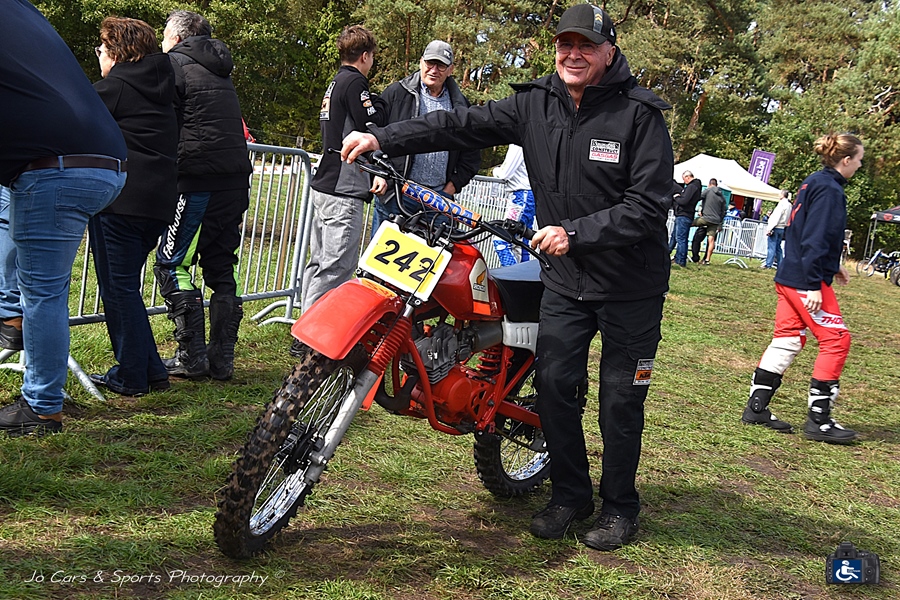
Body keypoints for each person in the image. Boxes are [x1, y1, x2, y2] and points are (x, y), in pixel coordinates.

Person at [342, 4, 675, 551]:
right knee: (555, 389)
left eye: (586, 45)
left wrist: (575, 232)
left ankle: (620, 507)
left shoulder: (640, 115)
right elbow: (456, 124)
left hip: (630, 286)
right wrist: (384, 138)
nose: (573, 54)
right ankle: (570, 496)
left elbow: (648, 205)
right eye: (565, 44)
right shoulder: (534, 102)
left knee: (620, 400)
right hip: (564, 280)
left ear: (609, 52)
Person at [0, 0, 127, 437]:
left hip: (55, 169)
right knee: (40, 286)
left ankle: (41, 407)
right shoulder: (23, 11)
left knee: (42, 293)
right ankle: (10, 320)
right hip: (103, 161)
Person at [741, 133, 863, 445]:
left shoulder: (813, 181)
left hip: (790, 274)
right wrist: (813, 284)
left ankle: (757, 408)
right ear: (846, 160)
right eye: (859, 159)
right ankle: (819, 420)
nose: (860, 165)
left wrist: (832, 265)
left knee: (788, 339)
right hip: (804, 280)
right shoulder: (830, 190)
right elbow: (814, 237)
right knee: (836, 340)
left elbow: (804, 231)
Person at [154, 10, 252, 380]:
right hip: (234, 180)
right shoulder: (220, 69)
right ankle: (222, 359)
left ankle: (191, 357)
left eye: (165, 35)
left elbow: (164, 121)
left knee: (172, 263)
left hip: (197, 180)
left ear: (178, 38)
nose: (162, 42)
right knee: (221, 264)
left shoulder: (174, 65)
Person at [86, 17, 179, 396]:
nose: (99, 55)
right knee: (125, 288)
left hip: (121, 202)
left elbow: (75, 120)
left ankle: (130, 376)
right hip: (158, 202)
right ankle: (151, 371)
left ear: (116, 52)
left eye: (101, 49)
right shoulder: (163, 86)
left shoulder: (115, 88)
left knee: (117, 289)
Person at [301, 25, 387, 313]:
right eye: (372, 56)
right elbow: (371, 123)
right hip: (344, 188)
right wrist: (380, 103)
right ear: (365, 56)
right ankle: (314, 332)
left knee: (319, 263)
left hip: (326, 183)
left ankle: (304, 323)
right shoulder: (355, 83)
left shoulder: (336, 82)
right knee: (337, 267)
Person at [371, 40, 480, 233]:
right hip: (397, 194)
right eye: (430, 63)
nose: (434, 70)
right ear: (421, 62)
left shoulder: (461, 106)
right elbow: (375, 135)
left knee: (435, 253)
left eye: (441, 65)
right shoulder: (397, 93)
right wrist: (379, 174)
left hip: (438, 201)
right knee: (381, 252)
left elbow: (472, 154)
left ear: (450, 70)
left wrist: (450, 189)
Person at [492, 144, 536, 266]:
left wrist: (495, 171)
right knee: (521, 243)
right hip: (528, 195)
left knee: (501, 240)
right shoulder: (531, 142)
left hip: (521, 196)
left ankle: (512, 275)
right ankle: (523, 275)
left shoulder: (517, 144)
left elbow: (504, 173)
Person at [690, 178, 727, 264]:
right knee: (711, 240)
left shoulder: (708, 190)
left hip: (705, 218)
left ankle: (694, 257)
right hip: (715, 221)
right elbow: (723, 211)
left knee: (687, 224)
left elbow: (698, 198)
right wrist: (720, 224)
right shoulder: (722, 196)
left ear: (709, 184)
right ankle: (707, 260)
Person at [669, 171, 701, 267]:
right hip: (686, 215)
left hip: (684, 214)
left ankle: (681, 260)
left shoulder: (691, 187)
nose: (684, 182)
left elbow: (684, 201)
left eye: (684, 179)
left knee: (681, 239)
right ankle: (674, 256)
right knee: (677, 237)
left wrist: (677, 198)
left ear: (688, 177)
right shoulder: (696, 187)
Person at [762, 189, 792, 269]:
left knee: (771, 246)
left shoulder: (782, 204)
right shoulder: (789, 205)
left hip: (776, 226)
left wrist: (770, 228)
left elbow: (776, 217)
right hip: (782, 227)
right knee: (778, 247)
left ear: (782, 195)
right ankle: (781, 264)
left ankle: (768, 264)